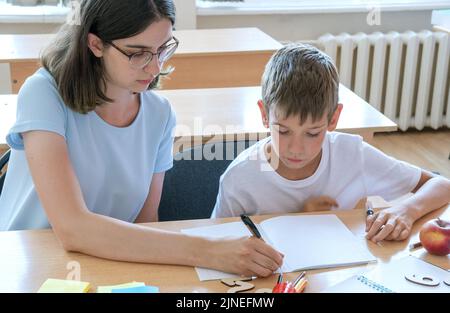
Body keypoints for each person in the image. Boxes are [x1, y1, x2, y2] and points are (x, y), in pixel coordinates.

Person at [0, 0, 283, 278]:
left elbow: (146, 225)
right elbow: (73, 228)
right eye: (139, 53)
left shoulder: (159, 114)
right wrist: (209, 251)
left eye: (163, 49)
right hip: (27, 263)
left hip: (106, 262)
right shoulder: (43, 94)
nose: (155, 67)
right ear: (95, 44)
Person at [211, 43, 450, 243]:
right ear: (264, 115)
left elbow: (441, 185)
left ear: (333, 118)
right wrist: (301, 220)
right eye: (283, 131)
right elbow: (216, 244)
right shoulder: (240, 179)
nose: (296, 148)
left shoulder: (351, 154)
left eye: (313, 133)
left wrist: (406, 210)